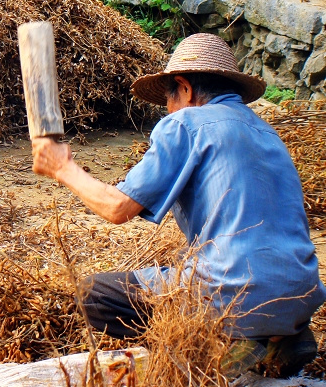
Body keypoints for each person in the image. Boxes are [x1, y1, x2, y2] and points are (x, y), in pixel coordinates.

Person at [31, 33, 325, 378]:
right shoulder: (266, 132)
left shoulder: (185, 123)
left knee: (92, 294)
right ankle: (281, 335)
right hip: (302, 292)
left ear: (184, 88)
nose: (168, 110)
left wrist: (63, 168)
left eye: (169, 99)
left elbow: (117, 208)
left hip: (232, 294)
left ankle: (218, 343)